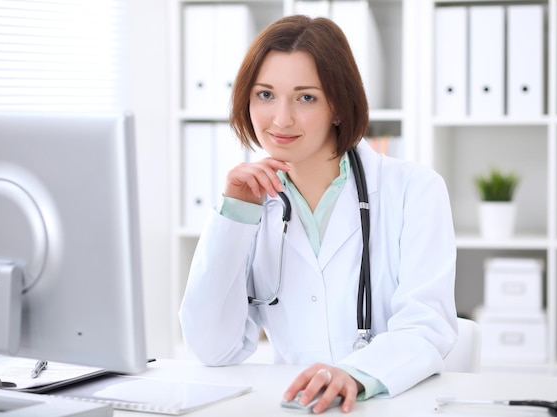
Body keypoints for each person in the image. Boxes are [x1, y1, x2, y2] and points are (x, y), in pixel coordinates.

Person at [179, 15, 457, 414]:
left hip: (386, 405)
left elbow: (427, 326)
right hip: (295, 405)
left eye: (306, 97)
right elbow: (211, 348)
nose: (281, 119)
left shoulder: (415, 189)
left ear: (339, 107)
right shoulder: (250, 202)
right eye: (265, 95)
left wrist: (356, 373)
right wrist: (235, 216)